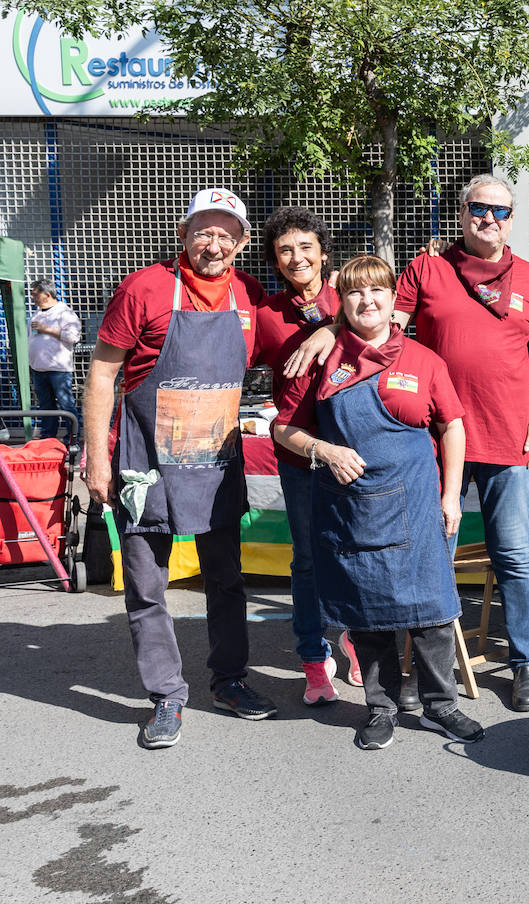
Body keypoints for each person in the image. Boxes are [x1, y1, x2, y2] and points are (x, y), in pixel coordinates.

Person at [287, 174, 529, 713]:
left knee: (515, 557)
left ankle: (527, 662)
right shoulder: (428, 268)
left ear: (511, 218)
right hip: (435, 442)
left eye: (501, 211)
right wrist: (326, 331)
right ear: (462, 211)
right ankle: (417, 671)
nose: (490, 219)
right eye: (479, 208)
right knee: (424, 563)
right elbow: (379, 319)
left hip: (508, 438)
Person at [83, 187, 274, 750]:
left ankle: (230, 680)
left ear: (240, 243)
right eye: (203, 231)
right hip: (146, 465)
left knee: (227, 580)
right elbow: (101, 375)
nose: (213, 244)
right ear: (183, 235)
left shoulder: (249, 294)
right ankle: (166, 695)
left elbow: (285, 345)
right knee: (147, 587)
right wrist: (98, 460)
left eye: (225, 234)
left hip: (216, 465)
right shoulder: (144, 287)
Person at [273, 255, 484, 751]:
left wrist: (451, 495)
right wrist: (323, 450)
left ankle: (440, 706)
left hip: (416, 503)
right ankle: (381, 708)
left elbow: (452, 426)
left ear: (393, 300)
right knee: (366, 614)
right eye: (355, 294)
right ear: (342, 304)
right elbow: (284, 428)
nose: (367, 302)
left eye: (377, 293)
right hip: (351, 508)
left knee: (432, 610)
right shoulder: (322, 360)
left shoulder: (425, 360)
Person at [251, 207, 346, 704]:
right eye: (285, 249)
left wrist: (331, 326)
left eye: (306, 247)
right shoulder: (266, 314)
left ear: (323, 253)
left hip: (354, 451)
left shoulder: (351, 299)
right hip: (298, 454)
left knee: (353, 550)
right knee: (308, 559)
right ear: (275, 259)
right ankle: (313, 657)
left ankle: (355, 631)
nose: (296, 257)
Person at [27, 278, 82, 441]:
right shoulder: (37, 313)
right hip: (39, 369)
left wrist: (47, 330)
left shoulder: (65, 313)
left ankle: (72, 439)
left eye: (35, 294)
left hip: (58, 370)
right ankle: (47, 440)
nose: (32, 297)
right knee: (45, 407)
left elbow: (73, 337)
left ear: (47, 295)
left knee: (66, 406)